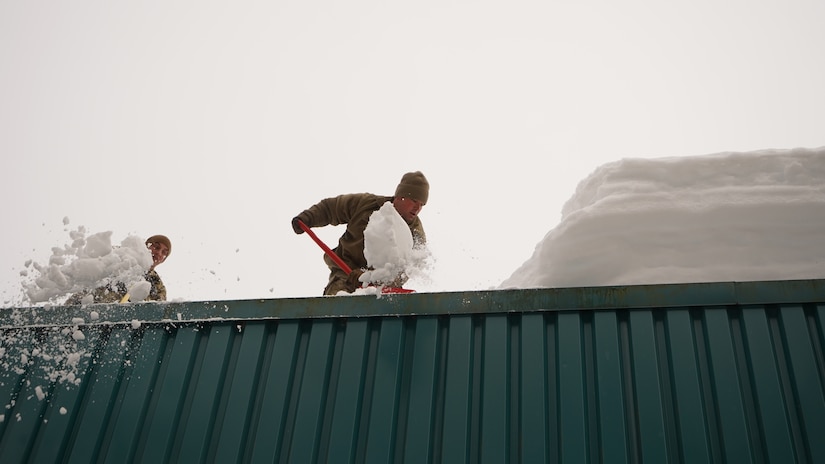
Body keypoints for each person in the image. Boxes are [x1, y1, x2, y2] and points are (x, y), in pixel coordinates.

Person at [292, 171, 429, 295]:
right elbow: (331, 208)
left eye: (422, 204)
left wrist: (370, 277)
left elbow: (408, 269)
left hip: (379, 289)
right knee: (336, 305)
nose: (417, 208)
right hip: (344, 273)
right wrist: (308, 217)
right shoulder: (366, 204)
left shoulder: (416, 233)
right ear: (400, 196)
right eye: (414, 201)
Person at [65, 234, 171, 304]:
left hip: (117, 329)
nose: (158, 253)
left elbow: (156, 312)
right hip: (81, 310)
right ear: (146, 246)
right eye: (156, 247)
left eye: (164, 253)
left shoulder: (157, 286)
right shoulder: (119, 256)